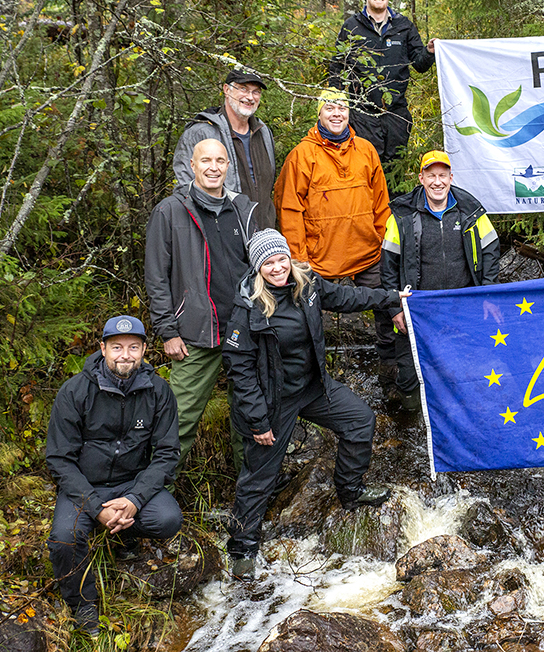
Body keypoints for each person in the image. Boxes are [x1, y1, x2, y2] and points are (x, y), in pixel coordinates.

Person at [222, 230, 408, 578]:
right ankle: (242, 547)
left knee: (360, 420)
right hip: (272, 401)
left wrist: (390, 297)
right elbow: (240, 372)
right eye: (269, 263)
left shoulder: (306, 285)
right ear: (258, 267)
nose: (278, 268)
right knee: (260, 475)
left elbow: (347, 297)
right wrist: (258, 421)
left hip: (313, 387)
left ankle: (351, 491)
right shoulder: (247, 308)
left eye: (282, 260)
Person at [46, 316, 182, 634]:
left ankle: (125, 534)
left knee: (167, 519)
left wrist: (134, 500)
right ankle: (84, 606)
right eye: (117, 347)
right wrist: (97, 508)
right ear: (103, 348)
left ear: (145, 350)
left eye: (134, 347)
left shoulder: (159, 392)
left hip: (132, 482)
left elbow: (166, 454)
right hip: (84, 485)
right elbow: (59, 459)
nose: (125, 355)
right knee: (65, 540)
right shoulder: (74, 392)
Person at [146, 138, 257, 473]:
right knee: (178, 420)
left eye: (220, 161)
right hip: (195, 334)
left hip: (244, 330)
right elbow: (156, 277)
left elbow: (259, 267)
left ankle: (251, 489)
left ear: (228, 167)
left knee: (249, 414)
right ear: (191, 166)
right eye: (205, 160)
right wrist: (168, 330)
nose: (213, 167)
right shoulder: (171, 211)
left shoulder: (242, 208)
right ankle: (153, 494)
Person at [273, 90, 396, 373]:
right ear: (319, 114)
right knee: (306, 318)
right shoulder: (302, 155)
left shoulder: (365, 150)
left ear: (350, 113)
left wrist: (384, 245)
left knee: (387, 308)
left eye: (342, 108)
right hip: (319, 259)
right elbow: (290, 210)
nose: (337, 113)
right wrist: (298, 260)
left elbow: (381, 203)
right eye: (330, 108)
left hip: (367, 251)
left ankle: (391, 370)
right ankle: (310, 377)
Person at [381, 150, 501, 409]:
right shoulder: (401, 216)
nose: (438, 182)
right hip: (417, 307)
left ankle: (457, 416)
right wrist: (394, 309)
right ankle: (413, 418)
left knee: (464, 368)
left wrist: (488, 296)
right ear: (421, 178)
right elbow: (388, 265)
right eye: (431, 175)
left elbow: (491, 250)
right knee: (410, 376)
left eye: (443, 176)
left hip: (462, 304)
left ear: (451, 177)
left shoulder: (471, 210)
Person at [328, 0, 436, 164]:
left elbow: (419, 64)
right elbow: (337, 65)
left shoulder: (404, 26)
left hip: (396, 113)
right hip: (362, 113)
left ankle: (393, 197)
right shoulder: (352, 26)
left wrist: (429, 51)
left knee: (395, 169)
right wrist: (334, 101)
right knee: (365, 166)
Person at [173, 69, 277, 228]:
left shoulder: (263, 132)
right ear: (226, 90)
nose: (250, 97)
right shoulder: (201, 132)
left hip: (260, 234)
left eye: (256, 92)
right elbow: (185, 190)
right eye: (243, 89)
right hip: (220, 234)